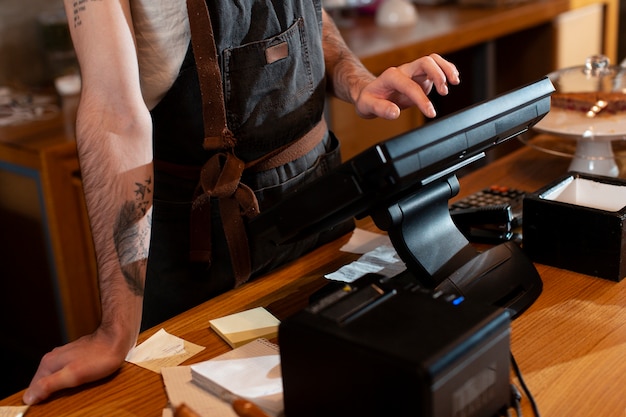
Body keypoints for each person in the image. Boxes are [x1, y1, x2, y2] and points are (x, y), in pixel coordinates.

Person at [23, 0, 460, 405]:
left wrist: (359, 82)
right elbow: (114, 116)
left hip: (319, 207)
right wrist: (115, 330)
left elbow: (310, 17)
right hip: (202, 250)